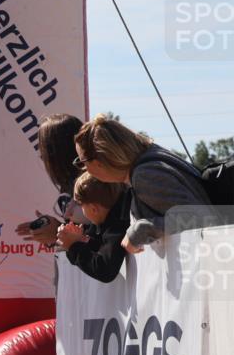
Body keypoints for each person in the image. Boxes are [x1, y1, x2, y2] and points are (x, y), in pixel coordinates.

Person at [74, 114, 213, 253]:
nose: (84, 169)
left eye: (82, 162)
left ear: (99, 161)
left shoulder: (145, 175)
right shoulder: (150, 160)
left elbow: (199, 217)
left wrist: (139, 232)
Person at [14, 114, 89, 246]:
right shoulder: (69, 183)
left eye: (45, 150)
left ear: (59, 152)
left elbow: (103, 237)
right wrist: (51, 232)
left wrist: (58, 231)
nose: (42, 156)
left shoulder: (90, 184)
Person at [56, 173, 131, 283]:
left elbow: (105, 270)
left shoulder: (117, 224)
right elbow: (104, 248)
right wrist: (82, 241)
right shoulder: (114, 216)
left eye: (81, 205)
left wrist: (73, 246)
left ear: (93, 209)